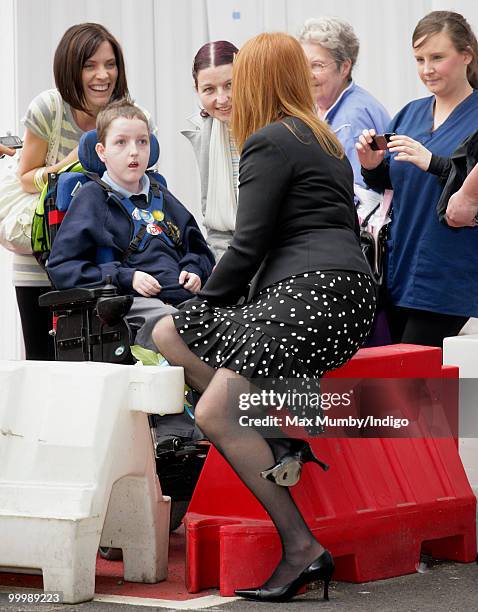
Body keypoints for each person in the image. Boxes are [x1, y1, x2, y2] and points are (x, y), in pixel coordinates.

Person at [152, 32, 375, 602]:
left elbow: (248, 245)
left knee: (212, 411)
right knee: (166, 330)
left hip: (308, 293)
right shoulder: (320, 136)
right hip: (343, 295)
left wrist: (204, 302)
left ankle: (302, 548)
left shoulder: (270, 141)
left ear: (257, 81)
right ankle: (272, 436)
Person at [15, 22, 154, 360]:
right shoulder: (49, 108)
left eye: (110, 64)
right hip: (44, 260)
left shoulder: (132, 116)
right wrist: (72, 164)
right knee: (46, 365)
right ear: (70, 69)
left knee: (109, 366)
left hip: (108, 266)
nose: (102, 75)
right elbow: (26, 177)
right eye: (89, 66)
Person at [47, 100, 214, 348]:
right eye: (121, 142)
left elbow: (199, 250)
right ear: (102, 152)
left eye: (142, 141)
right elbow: (62, 268)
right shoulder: (91, 199)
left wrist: (194, 269)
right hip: (130, 304)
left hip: (184, 298)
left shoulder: (162, 196)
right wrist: (126, 277)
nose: (134, 151)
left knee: (233, 321)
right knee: (178, 327)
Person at [356, 10, 478, 347]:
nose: (427, 69)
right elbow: (396, 182)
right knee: (405, 385)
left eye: (437, 57)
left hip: (448, 274)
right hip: (402, 268)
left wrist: (433, 162)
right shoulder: (410, 113)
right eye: (420, 59)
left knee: (413, 379)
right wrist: (372, 166)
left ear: (466, 55)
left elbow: (469, 188)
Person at [298, 16, 390, 190]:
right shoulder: (324, 106)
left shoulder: (352, 119)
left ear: (345, 67)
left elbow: (359, 194)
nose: (308, 74)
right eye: (303, 65)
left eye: (317, 65)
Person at [181, 41, 239, 260]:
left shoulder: (271, 126)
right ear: (196, 90)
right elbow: (216, 227)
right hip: (231, 255)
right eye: (209, 90)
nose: (222, 99)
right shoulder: (205, 131)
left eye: (230, 85)